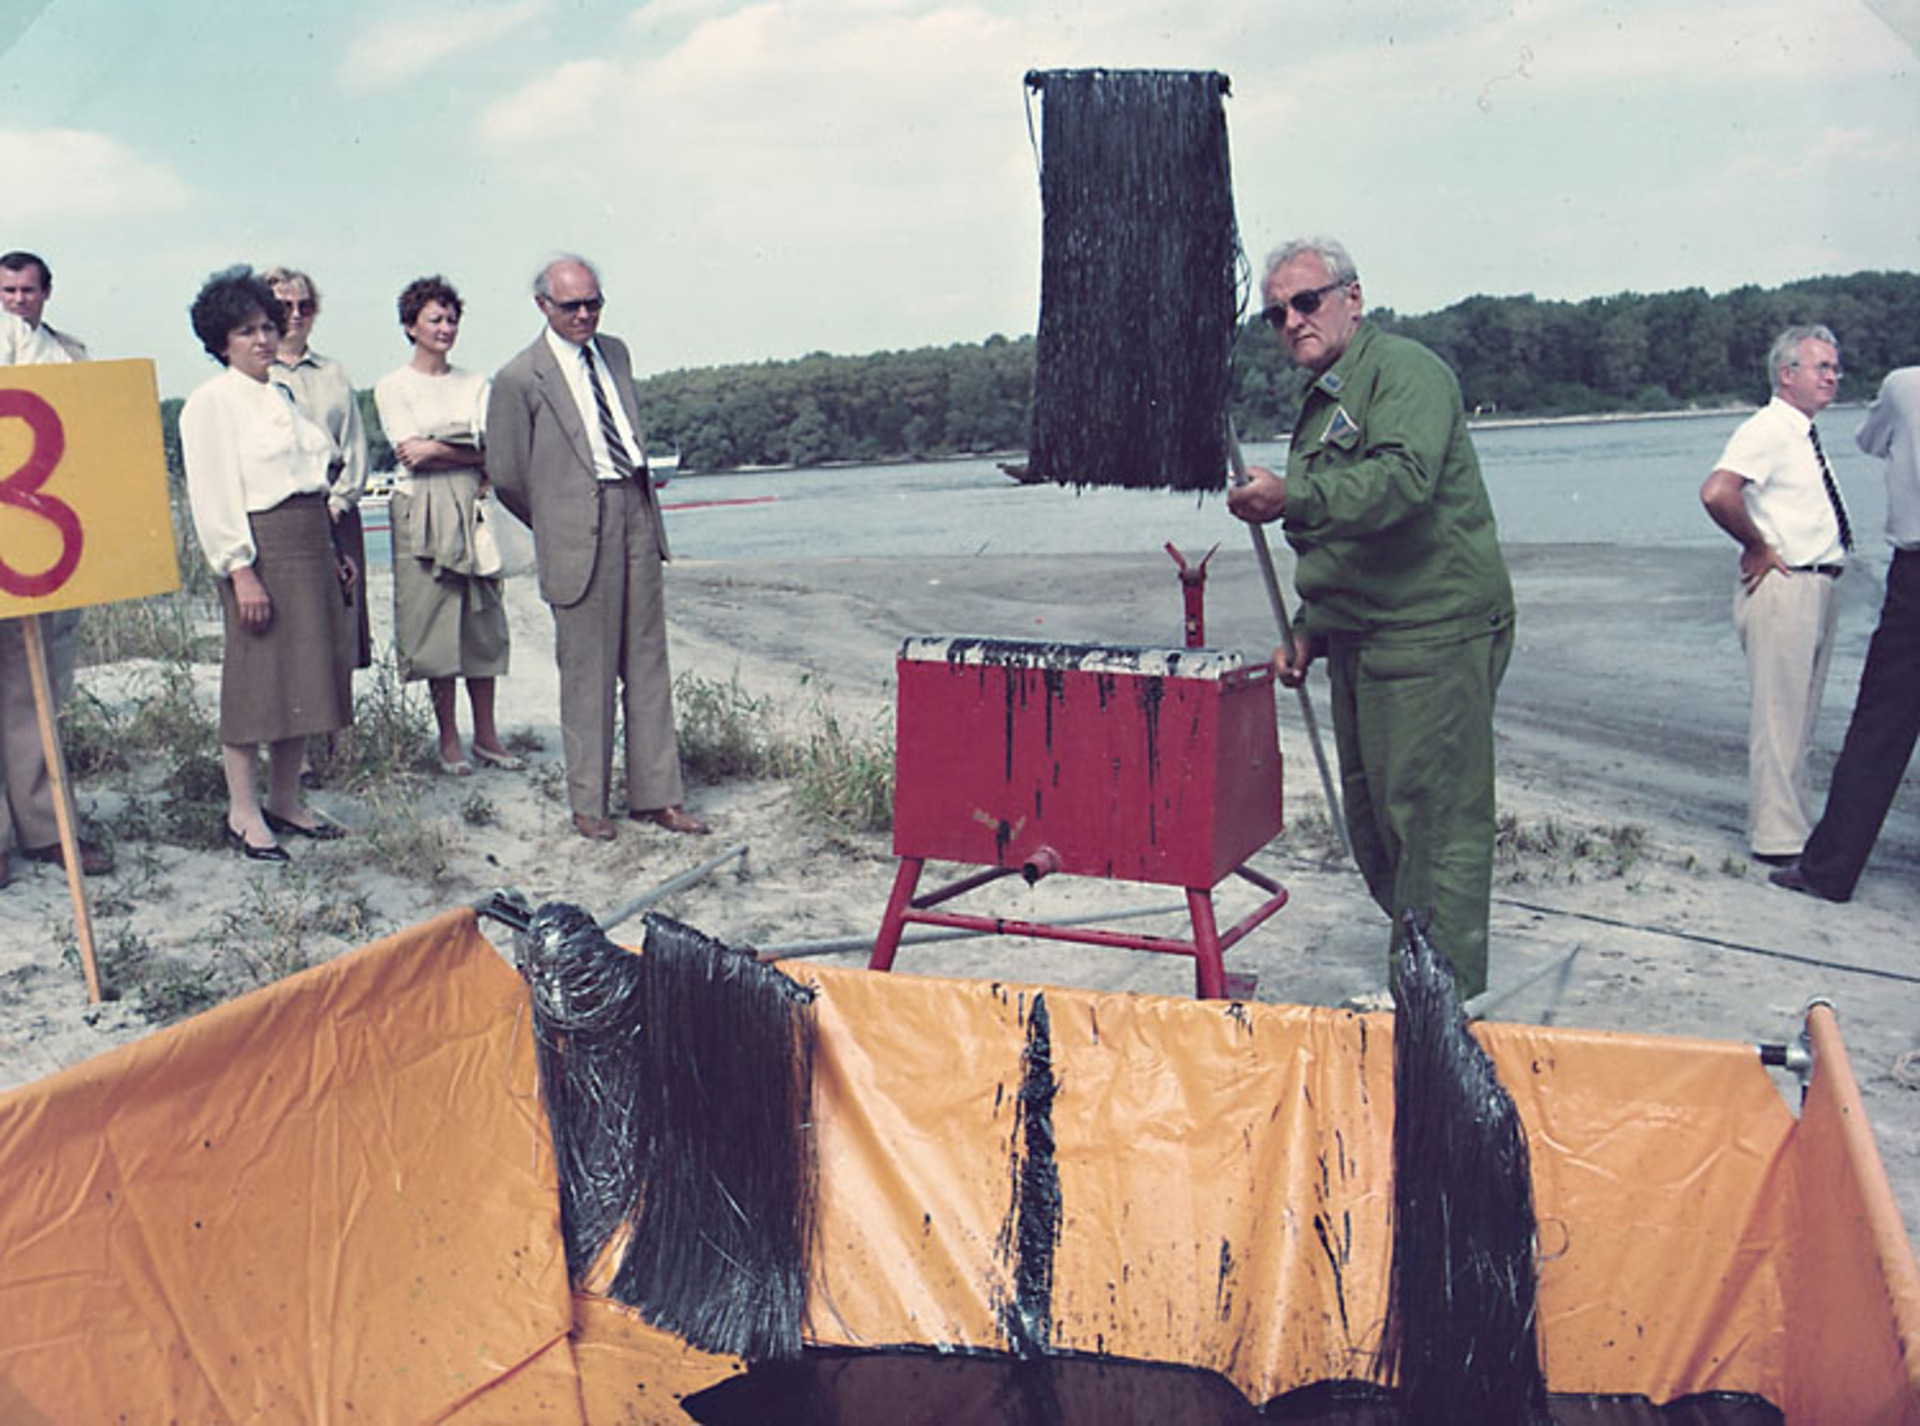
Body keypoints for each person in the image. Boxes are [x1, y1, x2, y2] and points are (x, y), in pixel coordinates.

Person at [1227, 237, 1514, 1001]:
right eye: (1276, 313)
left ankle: (1439, 998)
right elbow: (1347, 544)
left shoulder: (1406, 374)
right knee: (1378, 821)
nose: (1292, 321)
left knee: (1433, 819)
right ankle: (1422, 966)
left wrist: (1291, 496)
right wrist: (1309, 628)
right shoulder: (1326, 398)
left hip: (1433, 631)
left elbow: (1401, 485)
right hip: (1365, 636)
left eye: (1307, 302)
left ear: (1352, 299)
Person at [487, 254, 708, 840]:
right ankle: (590, 804)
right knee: (587, 673)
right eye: (571, 306)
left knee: (648, 661)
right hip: (575, 533)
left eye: (593, 303)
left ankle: (658, 797)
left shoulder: (616, 353)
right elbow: (506, 475)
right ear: (542, 306)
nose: (584, 315)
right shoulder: (517, 378)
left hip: (636, 508)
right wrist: (557, 522)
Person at [178, 266, 353, 862]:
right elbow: (214, 494)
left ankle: (285, 800)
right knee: (256, 681)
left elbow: (310, 479)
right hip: (262, 550)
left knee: (304, 677)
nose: (262, 339)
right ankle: (244, 811)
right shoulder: (212, 403)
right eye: (246, 331)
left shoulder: (282, 395)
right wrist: (240, 569)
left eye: (267, 327)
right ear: (220, 340)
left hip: (310, 544)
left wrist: (333, 553)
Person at [1699, 325, 1850, 866]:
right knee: (1780, 719)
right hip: (1787, 585)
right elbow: (1717, 492)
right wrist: (1757, 546)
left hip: (1817, 582)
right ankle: (1777, 839)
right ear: (1787, 375)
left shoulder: (1801, 433)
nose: (1833, 377)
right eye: (1821, 367)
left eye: (1835, 367)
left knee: (1797, 718)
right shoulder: (1767, 429)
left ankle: (1793, 828)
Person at [1770, 366, 1920, 902]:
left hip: (1915, 573)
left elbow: (1869, 442)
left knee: (1880, 725)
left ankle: (1830, 870)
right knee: (1880, 723)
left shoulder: (1905, 386)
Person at [373, 275, 519, 775]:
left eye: (452, 319)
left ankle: (488, 736)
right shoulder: (393, 386)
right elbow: (410, 454)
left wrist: (439, 446)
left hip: (473, 506)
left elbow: (496, 450)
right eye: (434, 319)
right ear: (410, 326)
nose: (445, 328)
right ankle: (449, 739)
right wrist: (461, 449)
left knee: (482, 621)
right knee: (436, 624)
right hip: (420, 508)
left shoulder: (476, 384)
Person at [1, 252, 113, 887]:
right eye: (7, 291)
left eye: (27, 290)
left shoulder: (71, 355)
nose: (17, 301)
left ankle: (46, 828)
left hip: (42, 545)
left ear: (46, 293)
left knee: (34, 690)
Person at [264, 267, 370, 784]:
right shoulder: (256, 375)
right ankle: (295, 753)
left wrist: (340, 502)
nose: (295, 315)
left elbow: (355, 448)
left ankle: (338, 744)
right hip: (281, 514)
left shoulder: (333, 373)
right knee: (291, 633)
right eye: (283, 305)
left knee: (339, 631)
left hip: (334, 511)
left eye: (304, 305)